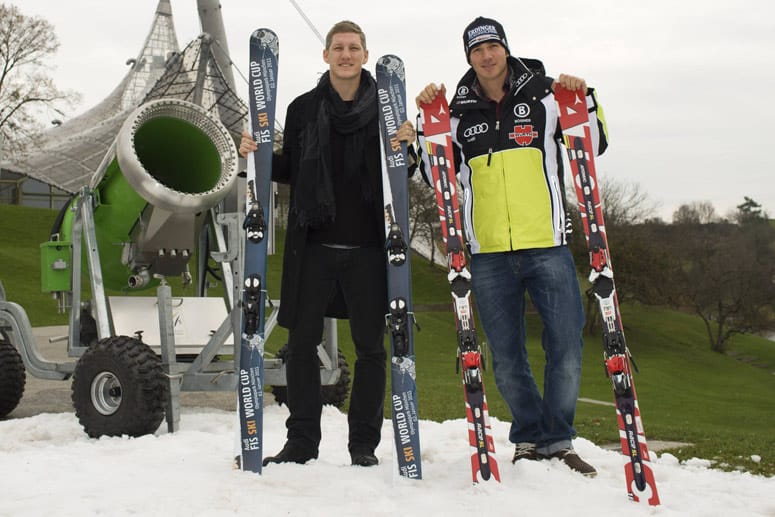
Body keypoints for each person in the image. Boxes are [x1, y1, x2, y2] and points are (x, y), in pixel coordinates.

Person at [415, 16, 608, 476]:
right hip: (487, 253)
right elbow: (434, 176)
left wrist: (587, 98)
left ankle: (558, 439)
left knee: (565, 346)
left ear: (505, 49)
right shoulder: (455, 112)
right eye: (476, 50)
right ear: (469, 57)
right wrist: (422, 129)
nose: (486, 56)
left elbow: (593, 144)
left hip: (547, 243)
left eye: (492, 47)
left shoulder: (546, 95)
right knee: (505, 355)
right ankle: (527, 437)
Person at [239, 20, 416, 468]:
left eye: (354, 47)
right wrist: (253, 156)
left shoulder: (386, 111)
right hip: (313, 247)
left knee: (371, 348)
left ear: (364, 54)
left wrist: (411, 148)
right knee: (300, 345)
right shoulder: (302, 110)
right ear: (326, 55)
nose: (345, 55)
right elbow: (291, 169)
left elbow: (401, 173)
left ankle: (363, 446)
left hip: (369, 250)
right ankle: (301, 442)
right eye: (338, 47)